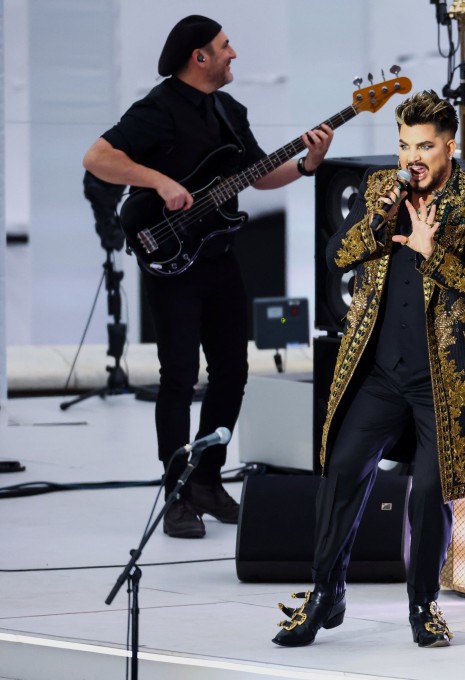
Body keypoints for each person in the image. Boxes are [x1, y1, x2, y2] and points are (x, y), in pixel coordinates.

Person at [271, 90, 465, 649]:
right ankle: (325, 592)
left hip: (445, 376)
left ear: (451, 145)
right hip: (379, 368)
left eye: (425, 146)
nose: (413, 158)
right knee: (342, 470)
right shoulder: (383, 189)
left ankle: (423, 605)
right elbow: (337, 256)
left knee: (430, 491)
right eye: (404, 145)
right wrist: (380, 220)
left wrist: (434, 252)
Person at [82, 15, 334, 538]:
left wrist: (308, 163)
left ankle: (207, 479)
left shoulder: (228, 109)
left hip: (218, 256)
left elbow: (260, 175)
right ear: (199, 57)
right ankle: (175, 491)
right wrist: (160, 182)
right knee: (177, 377)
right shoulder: (157, 109)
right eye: (225, 47)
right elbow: (97, 157)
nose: (234, 53)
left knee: (232, 372)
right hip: (170, 258)